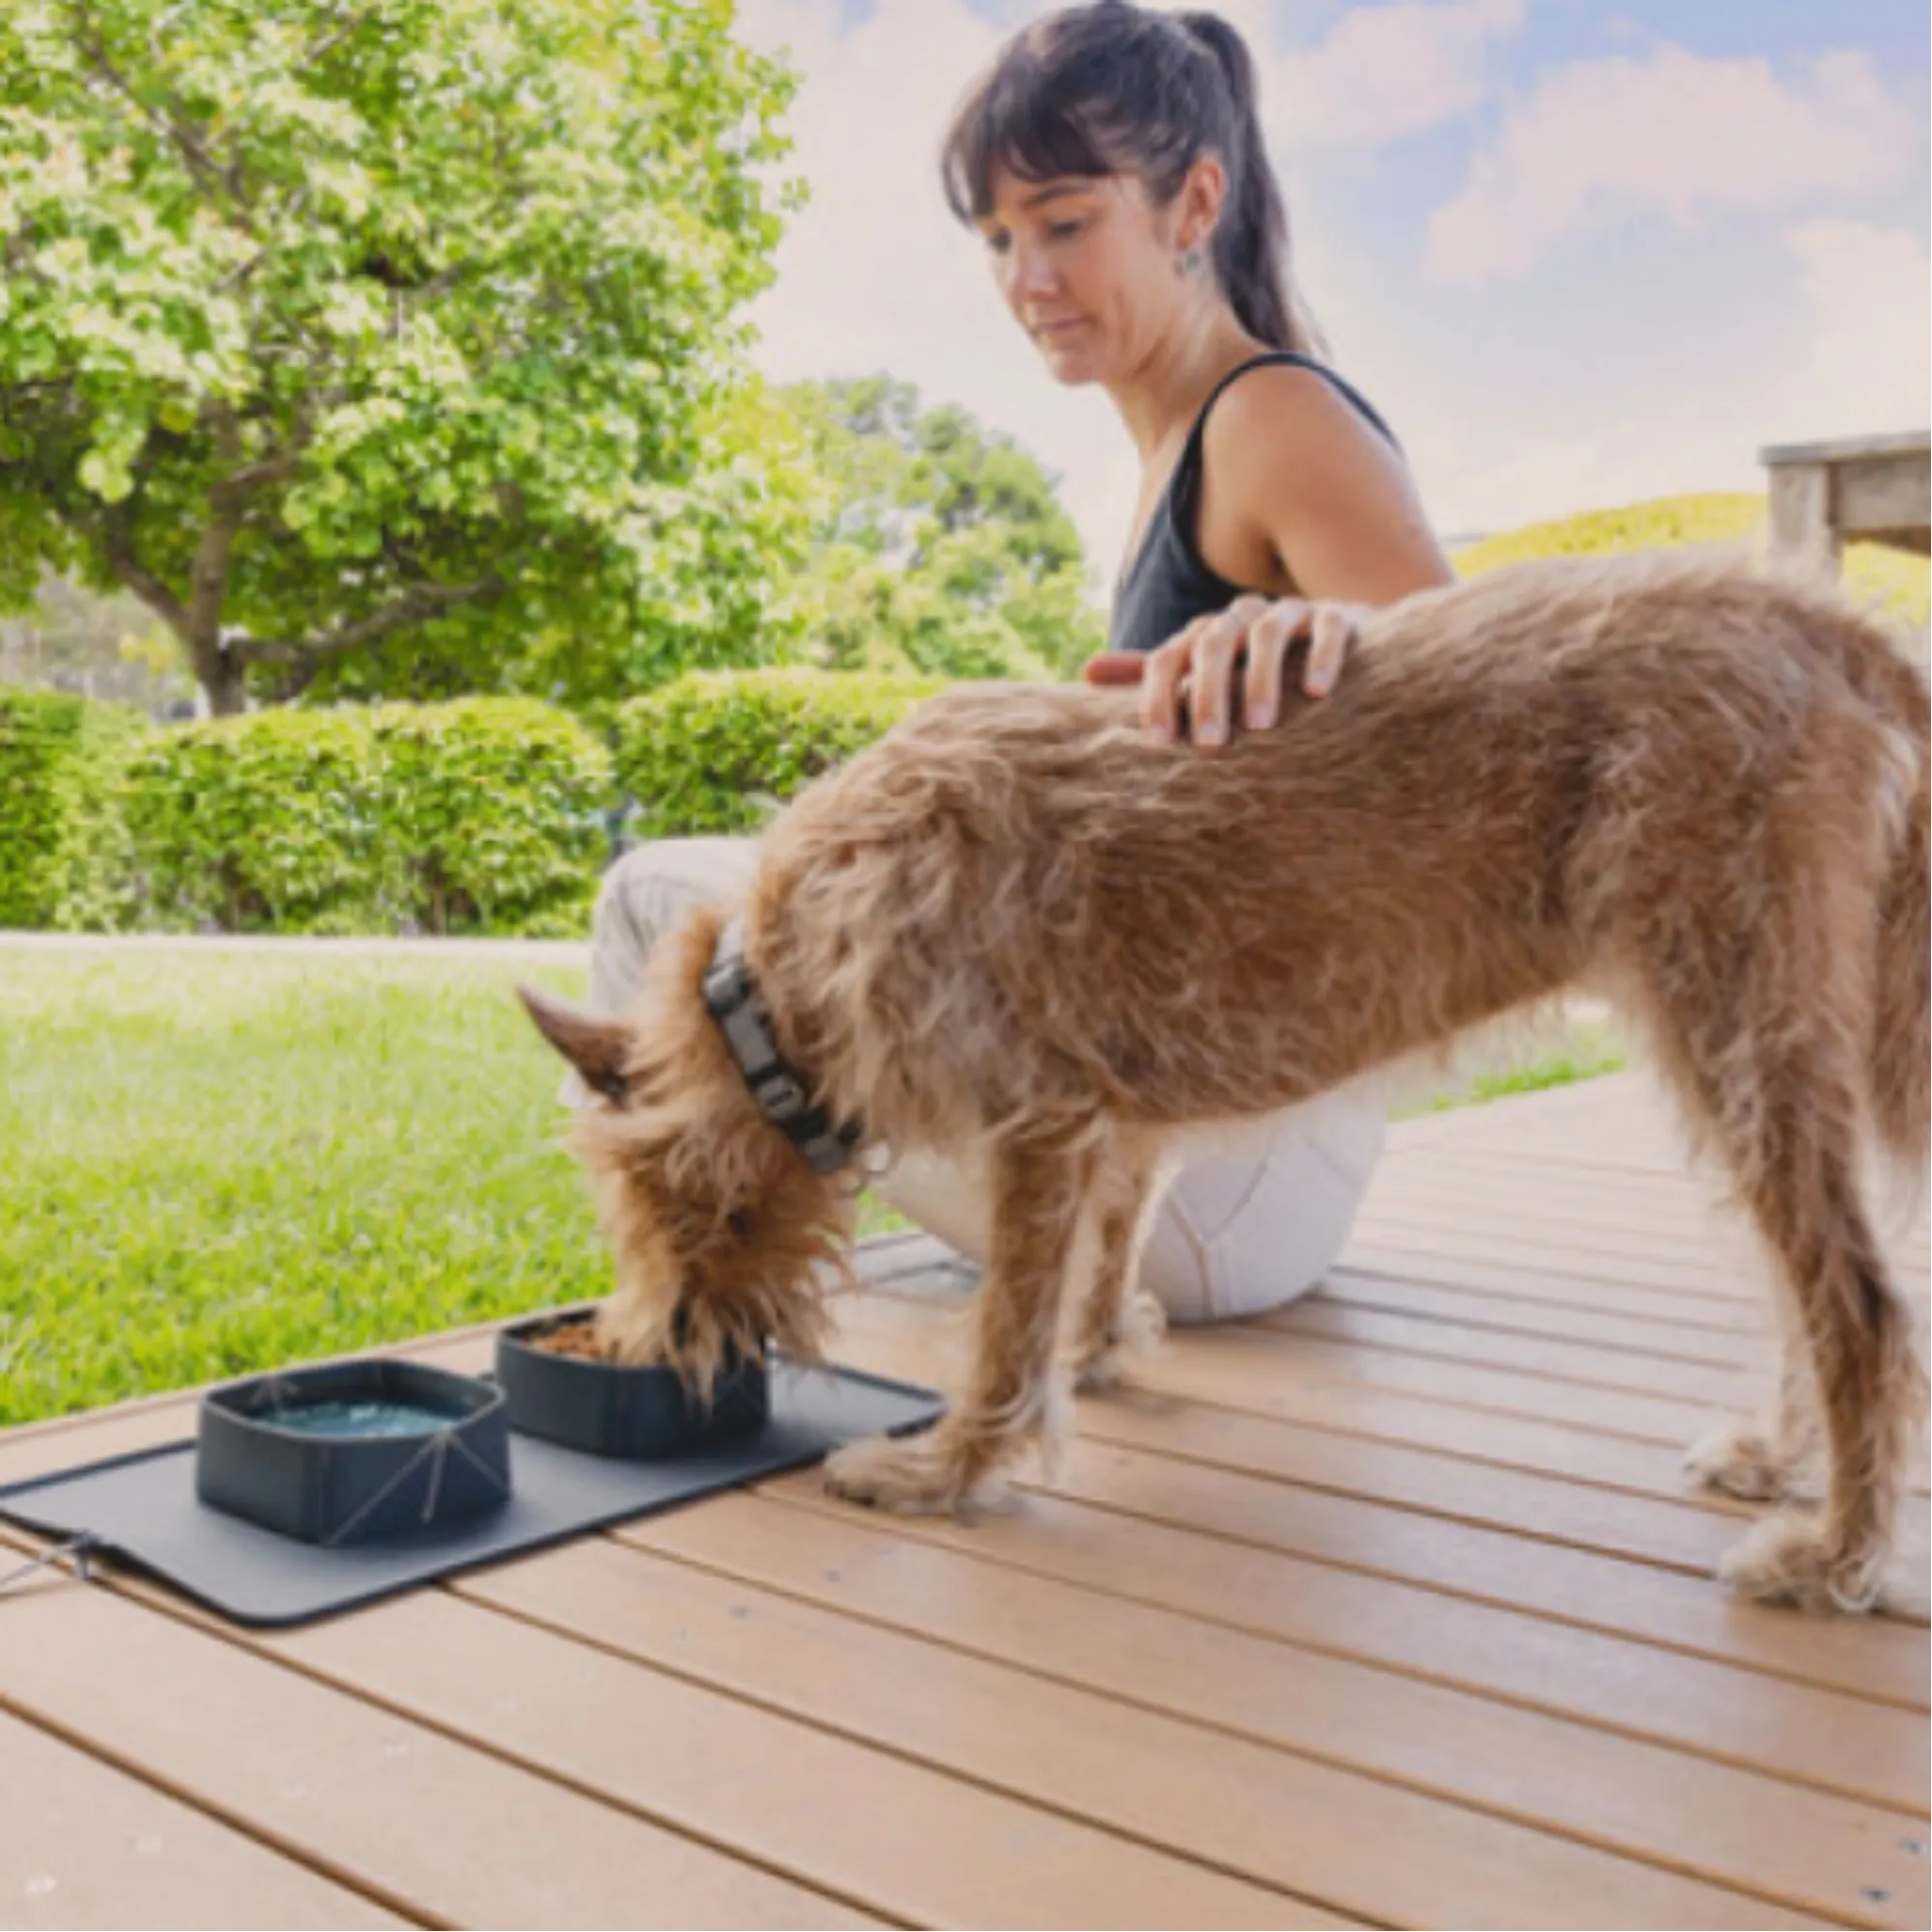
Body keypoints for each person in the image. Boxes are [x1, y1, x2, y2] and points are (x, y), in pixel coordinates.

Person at [570, 0, 1457, 1322]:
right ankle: (714, 1279)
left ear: (1192, 202)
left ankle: (694, 1288)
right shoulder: (1177, 449)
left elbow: (1499, 728)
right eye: (998, 237)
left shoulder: (1273, 419)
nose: (1025, 278)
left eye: (1063, 222)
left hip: (1234, 1179)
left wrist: (1344, 645)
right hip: (1182, 1145)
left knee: (658, 898)